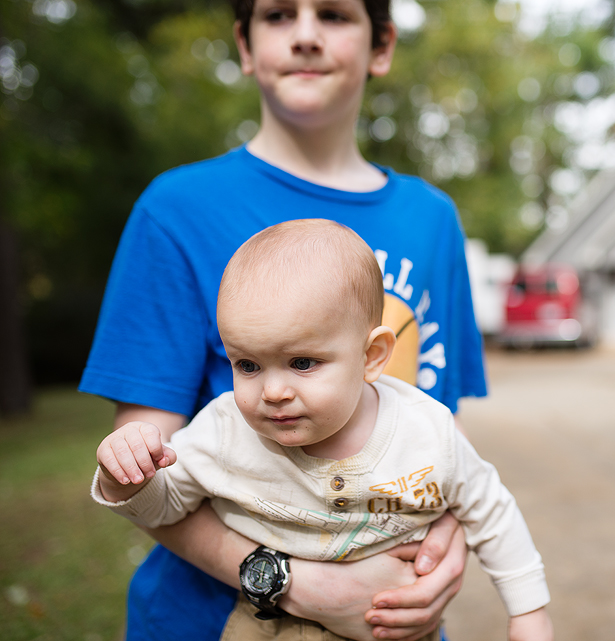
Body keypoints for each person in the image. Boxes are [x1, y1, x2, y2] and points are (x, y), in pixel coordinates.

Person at [79, 0, 487, 639]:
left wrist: (448, 550)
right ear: (244, 45)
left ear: (381, 46)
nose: (304, 35)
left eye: (332, 14)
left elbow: (443, 434)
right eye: (276, 15)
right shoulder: (176, 209)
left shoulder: (432, 219)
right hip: (206, 620)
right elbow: (143, 471)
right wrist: (295, 583)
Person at [92, 220, 553, 641]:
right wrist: (129, 481)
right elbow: (167, 507)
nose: (272, 390)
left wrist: (528, 610)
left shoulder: (425, 429)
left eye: (302, 363)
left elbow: (492, 509)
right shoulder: (225, 429)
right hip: (262, 625)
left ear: (371, 356)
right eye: (247, 364)